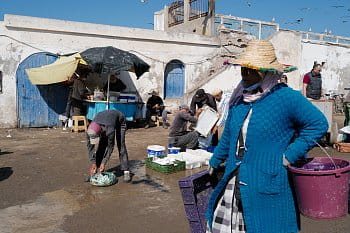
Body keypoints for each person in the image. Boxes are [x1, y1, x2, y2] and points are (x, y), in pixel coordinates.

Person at [206, 40, 328, 233]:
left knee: (268, 225)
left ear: (266, 71)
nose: (245, 74)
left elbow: (318, 124)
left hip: (269, 180)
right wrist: (215, 160)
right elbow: (229, 136)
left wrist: (288, 157)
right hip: (234, 179)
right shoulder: (239, 99)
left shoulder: (286, 97)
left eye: (251, 69)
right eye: (243, 68)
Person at [86, 110, 131, 182]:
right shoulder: (90, 129)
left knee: (121, 145)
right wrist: (93, 162)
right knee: (101, 145)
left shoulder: (109, 130)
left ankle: (126, 171)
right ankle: (96, 169)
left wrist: (104, 162)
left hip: (119, 120)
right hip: (105, 123)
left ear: (100, 132)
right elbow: (90, 147)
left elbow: (110, 147)